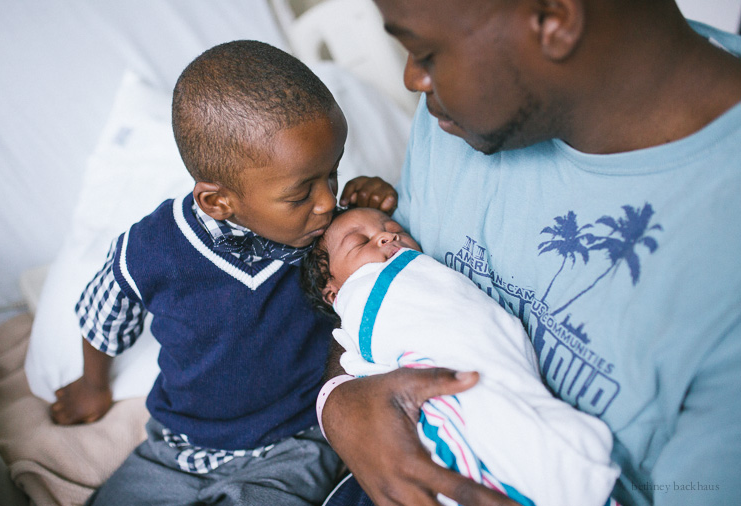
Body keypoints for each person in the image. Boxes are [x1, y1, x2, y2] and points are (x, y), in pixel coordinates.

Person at [317, 1, 741, 506]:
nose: (413, 79)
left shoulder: (722, 265)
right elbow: (374, 303)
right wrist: (338, 403)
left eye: (425, 52)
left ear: (552, 19)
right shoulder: (463, 119)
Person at [48, 40, 398, 505]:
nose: (324, 202)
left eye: (331, 175)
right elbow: (105, 313)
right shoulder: (153, 248)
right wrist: (93, 386)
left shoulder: (330, 234)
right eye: (300, 194)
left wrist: (372, 211)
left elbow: (384, 266)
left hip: (295, 442)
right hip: (176, 447)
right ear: (219, 202)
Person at [301, 207, 620, 506]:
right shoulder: (366, 300)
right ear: (333, 293)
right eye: (359, 241)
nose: (389, 237)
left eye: (394, 229)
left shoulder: (425, 272)